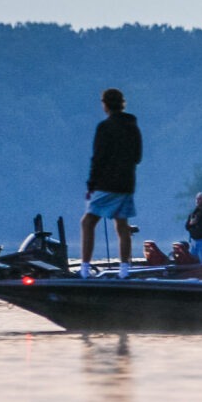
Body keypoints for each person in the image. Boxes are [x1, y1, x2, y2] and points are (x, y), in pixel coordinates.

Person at [81, 87, 143, 276]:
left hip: (107, 183)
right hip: (127, 184)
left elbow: (98, 158)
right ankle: (125, 269)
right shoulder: (133, 127)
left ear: (105, 105)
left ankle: (84, 268)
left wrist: (91, 184)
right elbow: (138, 157)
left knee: (88, 222)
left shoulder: (105, 127)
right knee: (122, 225)